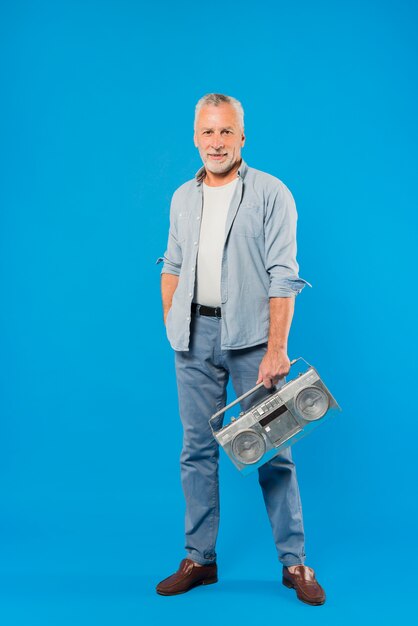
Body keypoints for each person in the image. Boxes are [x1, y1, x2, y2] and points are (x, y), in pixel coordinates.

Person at [155, 93, 325, 605]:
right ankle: (199, 559)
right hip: (193, 338)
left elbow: (283, 275)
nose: (216, 142)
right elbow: (172, 263)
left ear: (242, 137)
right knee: (196, 452)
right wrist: (173, 322)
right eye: (207, 132)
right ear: (195, 137)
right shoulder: (183, 197)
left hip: (255, 340)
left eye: (226, 132)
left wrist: (278, 349)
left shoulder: (273, 193)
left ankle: (294, 564)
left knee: (274, 451)